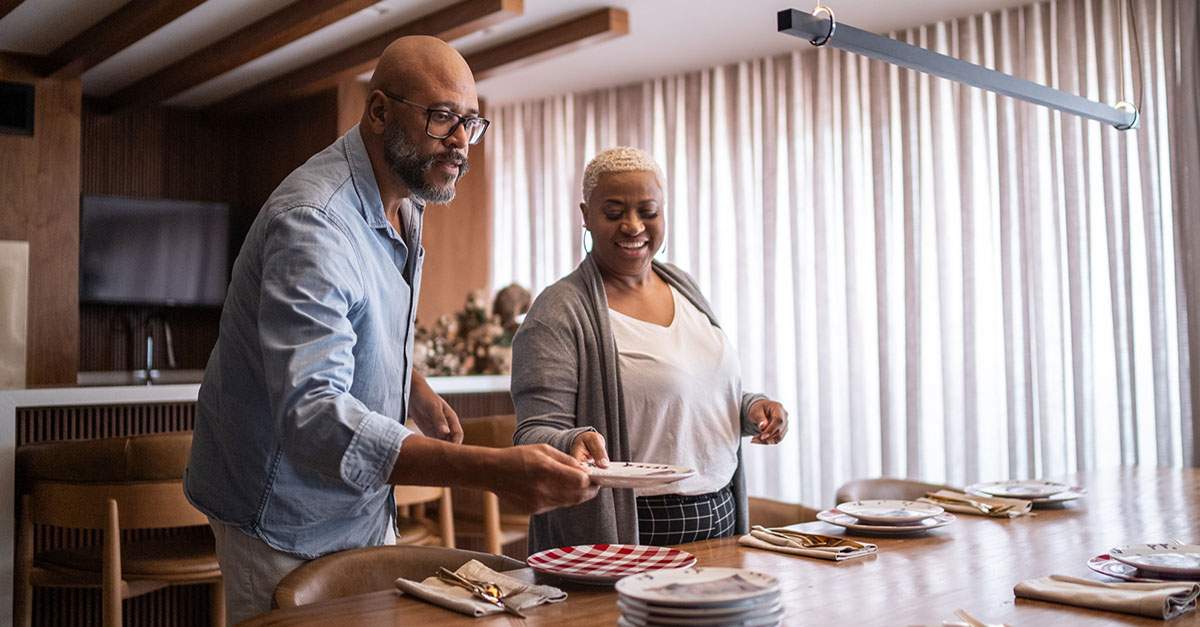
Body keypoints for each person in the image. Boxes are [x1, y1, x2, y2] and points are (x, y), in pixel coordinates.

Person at [184, 36, 597, 623]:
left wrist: (413, 384)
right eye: (442, 118)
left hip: (362, 504)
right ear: (379, 112)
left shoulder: (406, 197)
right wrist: (491, 471)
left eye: (470, 123)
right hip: (279, 513)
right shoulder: (314, 223)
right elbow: (312, 414)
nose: (460, 142)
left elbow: (356, 319)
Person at [511, 146, 789, 554]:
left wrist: (752, 409)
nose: (633, 225)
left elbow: (692, 390)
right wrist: (573, 439)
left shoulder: (681, 284)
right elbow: (532, 434)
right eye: (613, 212)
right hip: (634, 525)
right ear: (586, 215)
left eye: (648, 210)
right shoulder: (558, 312)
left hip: (723, 511)